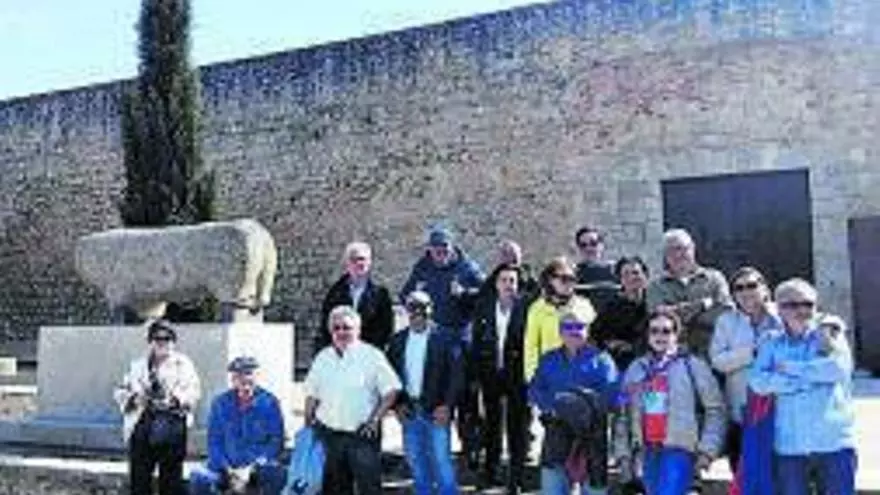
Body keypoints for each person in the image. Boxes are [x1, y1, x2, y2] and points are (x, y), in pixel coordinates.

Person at [748, 279, 857, 495]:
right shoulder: (770, 342)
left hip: (833, 443)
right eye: (793, 305)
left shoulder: (831, 335)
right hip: (790, 446)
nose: (802, 310)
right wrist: (805, 381)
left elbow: (837, 369)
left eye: (808, 304)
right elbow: (758, 381)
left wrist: (790, 368)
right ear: (779, 309)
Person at [615, 310, 726, 495]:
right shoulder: (636, 369)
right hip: (647, 450)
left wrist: (707, 450)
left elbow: (716, 409)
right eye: (654, 331)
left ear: (676, 335)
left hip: (680, 449)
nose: (660, 336)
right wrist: (623, 454)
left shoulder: (693, 366)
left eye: (666, 331)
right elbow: (622, 413)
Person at [304, 305, 401, 495]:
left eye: (346, 327)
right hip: (329, 435)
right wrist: (308, 424)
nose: (341, 332)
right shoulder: (323, 357)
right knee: (334, 489)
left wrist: (374, 420)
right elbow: (312, 393)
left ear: (358, 330)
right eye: (336, 328)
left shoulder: (372, 355)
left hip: (361, 435)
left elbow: (391, 390)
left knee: (369, 489)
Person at [529, 313, 619, 495]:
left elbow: (613, 395)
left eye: (579, 327)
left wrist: (582, 404)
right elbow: (534, 389)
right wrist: (554, 406)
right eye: (568, 327)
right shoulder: (548, 359)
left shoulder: (602, 360)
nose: (573, 332)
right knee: (552, 489)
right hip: (556, 435)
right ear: (560, 332)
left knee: (595, 490)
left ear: (588, 330)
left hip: (592, 438)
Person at [386, 291, 464, 495]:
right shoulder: (397, 341)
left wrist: (448, 406)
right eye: (413, 309)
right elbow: (390, 376)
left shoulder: (446, 338)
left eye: (423, 309)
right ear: (406, 312)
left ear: (431, 310)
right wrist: (397, 406)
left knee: (442, 462)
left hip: (437, 410)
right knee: (416, 461)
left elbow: (456, 376)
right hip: (410, 411)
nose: (418, 314)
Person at [113, 320, 201, 495]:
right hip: (142, 424)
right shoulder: (137, 365)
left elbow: (194, 391)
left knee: (171, 479)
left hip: (172, 424)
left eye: (167, 339)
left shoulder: (183, 364)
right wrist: (135, 399)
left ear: (173, 342)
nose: (162, 343)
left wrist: (175, 399)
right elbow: (120, 391)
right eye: (157, 338)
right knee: (139, 478)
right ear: (150, 342)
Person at [709, 267, 781, 473]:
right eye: (739, 288)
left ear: (764, 288)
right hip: (742, 410)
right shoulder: (726, 321)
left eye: (751, 285)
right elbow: (718, 361)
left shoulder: (783, 314)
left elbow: (814, 320)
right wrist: (752, 353)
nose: (746, 292)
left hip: (780, 410)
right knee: (743, 475)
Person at [470, 264, 529, 493]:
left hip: (517, 375)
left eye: (512, 280)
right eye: (504, 280)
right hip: (491, 374)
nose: (508, 285)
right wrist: (476, 375)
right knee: (491, 425)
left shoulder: (526, 308)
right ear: (496, 284)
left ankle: (516, 477)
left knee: (517, 428)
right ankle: (490, 472)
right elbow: (476, 342)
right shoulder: (484, 307)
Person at [646, 228, 733, 358]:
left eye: (683, 248)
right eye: (672, 250)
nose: (678, 254)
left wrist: (677, 312)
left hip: (712, 353)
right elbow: (659, 319)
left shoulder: (715, 279)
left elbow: (725, 313)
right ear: (665, 255)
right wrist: (703, 305)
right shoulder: (656, 286)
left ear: (693, 249)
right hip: (671, 358)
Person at [524, 256, 597, 383]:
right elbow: (531, 348)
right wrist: (533, 379)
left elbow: (594, 342)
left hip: (581, 375)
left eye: (572, 279)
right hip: (550, 377)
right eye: (564, 279)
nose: (569, 283)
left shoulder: (585, 305)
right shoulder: (537, 309)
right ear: (550, 280)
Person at [316, 241, 394, 353]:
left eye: (362, 259)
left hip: (368, 354)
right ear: (347, 263)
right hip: (340, 353)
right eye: (354, 259)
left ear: (369, 262)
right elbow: (326, 327)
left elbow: (386, 330)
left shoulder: (381, 295)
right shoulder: (335, 293)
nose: (359, 263)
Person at [590, 256, 650, 372]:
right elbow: (596, 335)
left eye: (636, 273)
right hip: (619, 365)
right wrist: (611, 344)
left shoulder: (655, 302)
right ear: (620, 280)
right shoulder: (611, 307)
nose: (632, 277)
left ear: (645, 276)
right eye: (626, 274)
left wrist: (632, 346)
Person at [573, 226, 619, 315]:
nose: (588, 248)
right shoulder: (573, 274)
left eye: (593, 243)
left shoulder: (617, 271)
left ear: (602, 245)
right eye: (583, 245)